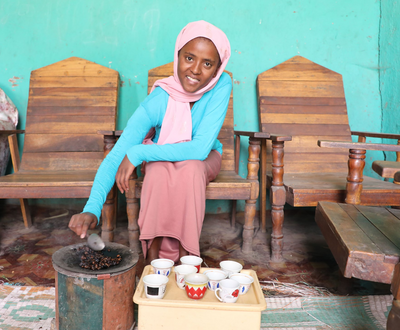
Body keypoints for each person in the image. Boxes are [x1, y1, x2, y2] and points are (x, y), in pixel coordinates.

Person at [69, 20, 232, 264]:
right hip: (162, 159)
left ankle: (187, 259)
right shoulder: (158, 100)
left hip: (206, 157)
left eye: (207, 64)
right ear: (177, 56)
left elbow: (199, 149)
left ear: (218, 68)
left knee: (191, 167)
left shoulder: (221, 85)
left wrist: (139, 153)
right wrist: (91, 208)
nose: (196, 70)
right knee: (156, 170)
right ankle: (154, 260)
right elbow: (118, 155)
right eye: (189, 58)